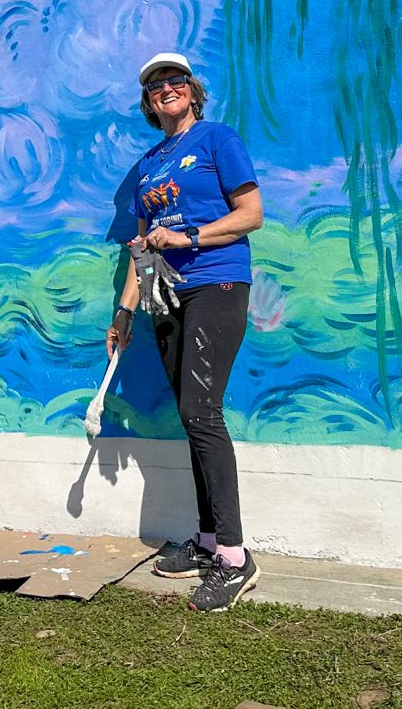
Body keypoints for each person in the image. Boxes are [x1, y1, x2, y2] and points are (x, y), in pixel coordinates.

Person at [107, 51, 264, 612]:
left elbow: (251, 214)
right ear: (149, 104)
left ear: (192, 91)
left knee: (203, 412)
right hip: (164, 294)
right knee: (190, 415)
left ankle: (235, 555)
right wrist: (124, 312)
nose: (165, 89)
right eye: (154, 86)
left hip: (216, 284)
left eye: (174, 81)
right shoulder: (150, 163)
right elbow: (142, 248)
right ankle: (205, 541)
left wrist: (191, 238)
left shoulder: (218, 139)